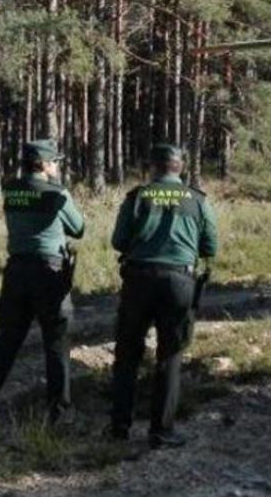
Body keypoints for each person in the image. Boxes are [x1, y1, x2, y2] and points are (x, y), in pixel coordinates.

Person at [109, 144, 219, 448]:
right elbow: (210, 246)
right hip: (179, 281)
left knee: (127, 354)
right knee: (170, 355)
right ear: (180, 167)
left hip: (139, 280)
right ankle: (161, 430)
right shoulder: (197, 200)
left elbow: (118, 240)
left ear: (153, 167)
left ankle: (119, 427)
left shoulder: (138, 197)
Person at [0, 139, 85, 423]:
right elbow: (79, 228)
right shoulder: (56, 193)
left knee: (8, 342)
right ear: (44, 164)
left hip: (15, 272)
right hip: (49, 273)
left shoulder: (11, 190)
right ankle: (59, 414)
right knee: (56, 343)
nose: (57, 166)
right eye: (55, 162)